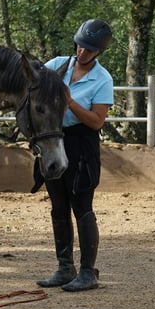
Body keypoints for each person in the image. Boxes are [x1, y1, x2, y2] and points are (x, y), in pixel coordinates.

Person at [36, 18, 114, 292]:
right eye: (80, 46)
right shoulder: (56, 64)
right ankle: (64, 267)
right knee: (58, 206)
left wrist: (69, 101)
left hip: (82, 143)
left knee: (82, 207)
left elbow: (96, 121)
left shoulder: (102, 79)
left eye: (89, 49)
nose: (82, 52)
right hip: (54, 139)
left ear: (99, 52)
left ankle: (88, 271)